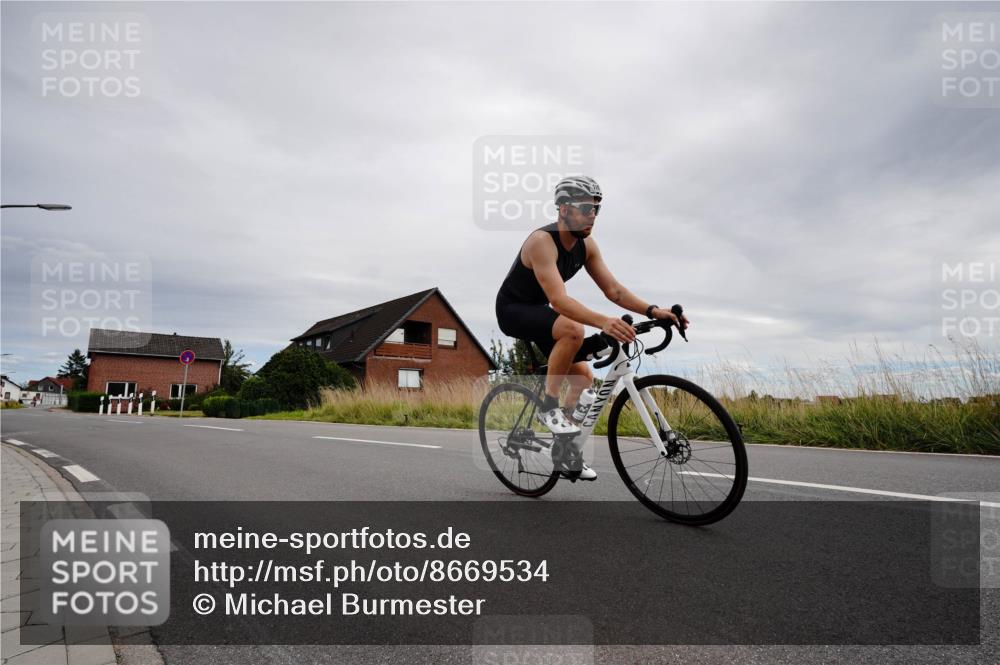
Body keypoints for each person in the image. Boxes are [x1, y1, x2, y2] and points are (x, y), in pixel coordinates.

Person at [495, 175, 688, 479]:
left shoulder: (586, 245)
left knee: (584, 377)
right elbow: (559, 301)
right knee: (574, 330)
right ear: (562, 209)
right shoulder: (541, 242)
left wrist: (653, 310)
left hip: (542, 312)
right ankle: (548, 407)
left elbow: (613, 290)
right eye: (585, 208)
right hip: (513, 310)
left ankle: (564, 449)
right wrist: (604, 321)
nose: (592, 216)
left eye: (597, 209)